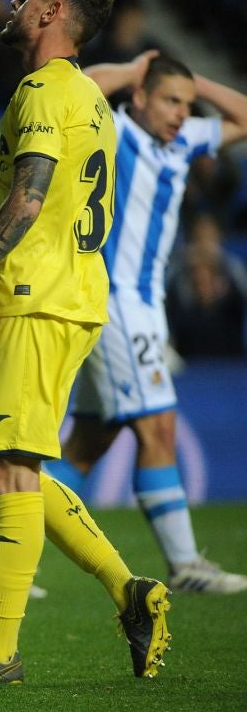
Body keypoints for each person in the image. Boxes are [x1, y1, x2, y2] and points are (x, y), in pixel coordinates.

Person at [0, 0, 171, 685]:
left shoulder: (41, 91)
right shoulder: (87, 98)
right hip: (70, 296)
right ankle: (133, 593)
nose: (14, 3)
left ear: (52, 12)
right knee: (25, 467)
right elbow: (54, 211)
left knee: (10, 470)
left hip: (42, 298)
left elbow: (28, 196)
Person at [53, 51, 247, 593]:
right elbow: (83, 84)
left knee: (92, 438)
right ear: (139, 98)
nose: (182, 112)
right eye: (169, 100)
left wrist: (197, 80)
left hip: (142, 304)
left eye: (187, 104)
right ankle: (185, 563)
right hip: (115, 300)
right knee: (158, 425)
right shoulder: (116, 132)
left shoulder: (182, 139)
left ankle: (9, 537)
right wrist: (138, 68)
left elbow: (245, 118)